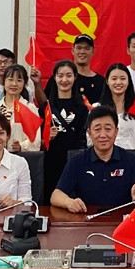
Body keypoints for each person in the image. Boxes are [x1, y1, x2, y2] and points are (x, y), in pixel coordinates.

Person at [50, 106, 135, 212]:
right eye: (97, 130)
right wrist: (69, 202)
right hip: (87, 219)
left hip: (123, 220)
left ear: (116, 131)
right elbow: (56, 196)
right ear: (89, 133)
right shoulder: (77, 161)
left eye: (108, 129)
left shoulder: (131, 159)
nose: (103, 135)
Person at [41, 60, 89, 197]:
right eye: (60, 75)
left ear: (75, 77)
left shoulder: (83, 109)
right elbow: (36, 141)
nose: (64, 80)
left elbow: (84, 138)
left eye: (69, 75)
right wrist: (46, 138)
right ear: (54, 77)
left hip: (74, 162)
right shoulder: (45, 107)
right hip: (50, 162)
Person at [97, 63, 135, 161]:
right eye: (114, 79)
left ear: (129, 81)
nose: (118, 82)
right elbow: (91, 140)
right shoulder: (97, 109)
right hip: (102, 162)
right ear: (107, 81)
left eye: (123, 78)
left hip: (129, 162)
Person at [0, 63, 41, 151]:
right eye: (10, 80)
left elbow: (36, 141)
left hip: (21, 157)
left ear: (24, 83)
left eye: (19, 80)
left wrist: (21, 146)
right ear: (4, 81)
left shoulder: (30, 109)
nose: (14, 84)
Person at [70, 34, 105, 104]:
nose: (82, 52)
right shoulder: (63, 79)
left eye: (87, 48)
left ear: (93, 52)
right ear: (73, 51)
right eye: (79, 48)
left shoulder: (101, 82)